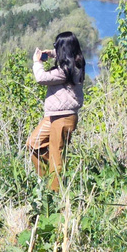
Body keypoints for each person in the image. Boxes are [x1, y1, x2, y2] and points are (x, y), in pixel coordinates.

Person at [26, 31, 85, 191]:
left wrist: (37, 62)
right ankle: (47, 180)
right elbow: (67, 53)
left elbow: (41, 78)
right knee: (33, 144)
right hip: (53, 116)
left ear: (63, 50)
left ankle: (54, 194)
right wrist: (50, 54)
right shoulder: (75, 63)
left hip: (64, 117)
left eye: (57, 47)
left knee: (56, 157)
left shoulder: (67, 71)